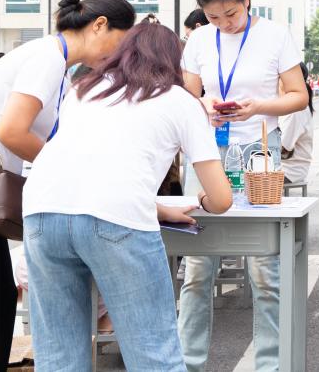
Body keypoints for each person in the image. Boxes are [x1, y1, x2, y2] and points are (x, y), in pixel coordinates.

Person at [0, 0, 135, 371]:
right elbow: (12, 131)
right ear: (100, 25)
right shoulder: (48, 58)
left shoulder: (55, 63)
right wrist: (68, 170)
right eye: (122, 42)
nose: (119, 55)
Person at [23, 23, 233, 370]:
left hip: (42, 212)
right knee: (153, 353)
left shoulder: (84, 89)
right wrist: (204, 201)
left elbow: (92, 167)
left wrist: (157, 208)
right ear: (173, 62)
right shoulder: (179, 100)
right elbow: (221, 199)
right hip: (116, 220)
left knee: (59, 355)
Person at [177, 0, 308, 372]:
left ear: (247, 0)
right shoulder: (199, 39)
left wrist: (259, 106)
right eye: (213, 17)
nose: (224, 24)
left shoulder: (275, 35)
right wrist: (205, 106)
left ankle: (270, 364)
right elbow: (185, 96)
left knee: (265, 267)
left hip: (259, 151)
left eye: (231, 14)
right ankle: (188, 363)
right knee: (197, 267)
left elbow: (299, 95)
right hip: (207, 151)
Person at [280, 63, 315, 185]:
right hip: (286, 167)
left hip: (289, 171)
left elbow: (283, 148)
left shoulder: (296, 110)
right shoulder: (291, 105)